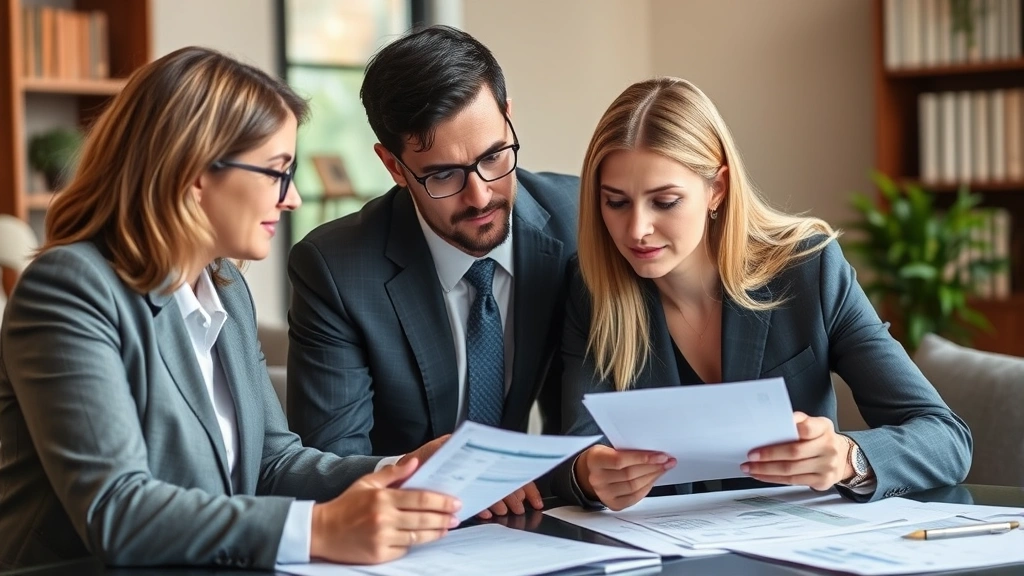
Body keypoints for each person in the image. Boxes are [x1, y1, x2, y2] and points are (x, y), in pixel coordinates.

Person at [0, 47, 460, 571]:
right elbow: (116, 510)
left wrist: (404, 468)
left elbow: (271, 463)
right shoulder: (71, 288)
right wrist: (320, 528)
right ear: (194, 173)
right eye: (276, 172)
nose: (292, 201)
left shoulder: (224, 287)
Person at [551, 77, 972, 511]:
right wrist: (588, 473)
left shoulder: (809, 269)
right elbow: (573, 456)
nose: (637, 229)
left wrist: (849, 457)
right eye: (616, 203)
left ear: (717, 188)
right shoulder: (592, 290)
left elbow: (945, 437)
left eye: (665, 201)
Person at [286, 26, 579, 517]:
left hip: (531, 522)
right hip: (404, 533)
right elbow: (331, 463)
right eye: (444, 174)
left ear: (508, 119)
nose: (481, 195)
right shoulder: (335, 268)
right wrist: (413, 471)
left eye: (493, 157)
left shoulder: (578, 221)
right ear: (395, 167)